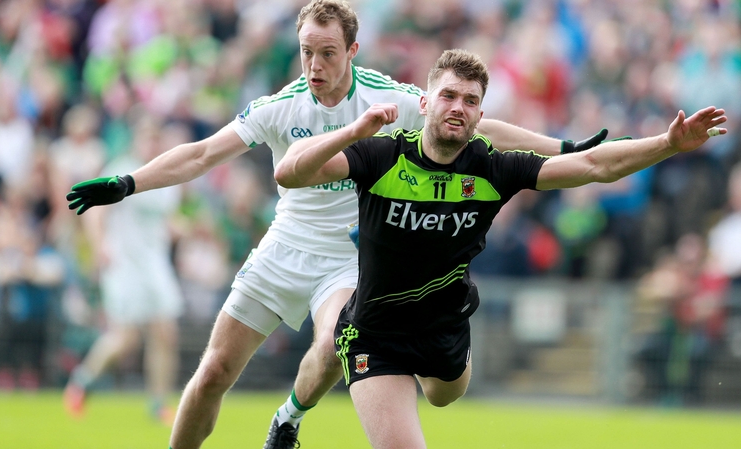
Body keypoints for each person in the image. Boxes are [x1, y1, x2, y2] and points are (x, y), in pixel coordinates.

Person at [64, 1, 608, 448]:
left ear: (351, 50)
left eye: (327, 52)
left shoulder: (389, 98)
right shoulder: (280, 106)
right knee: (212, 374)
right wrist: (127, 183)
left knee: (334, 342)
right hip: (283, 247)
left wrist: (558, 146)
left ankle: (288, 419)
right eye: (306, 52)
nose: (314, 65)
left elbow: (475, 124)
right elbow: (203, 154)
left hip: (350, 257)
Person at [273, 48, 727, 449]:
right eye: (449, 96)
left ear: (480, 116)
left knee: (443, 395)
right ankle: (287, 419)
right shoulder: (380, 155)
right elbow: (290, 173)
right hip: (377, 333)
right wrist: (354, 131)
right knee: (342, 356)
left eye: (471, 101)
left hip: (445, 329)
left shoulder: (493, 169)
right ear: (425, 103)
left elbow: (592, 165)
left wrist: (669, 144)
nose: (459, 107)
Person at [63, 116, 184, 424]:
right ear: (136, 140)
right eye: (147, 138)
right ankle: (82, 381)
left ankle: (158, 403)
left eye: (156, 138)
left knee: (165, 333)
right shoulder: (121, 170)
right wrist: (100, 246)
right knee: (125, 338)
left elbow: (164, 219)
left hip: (155, 264)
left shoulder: (169, 173)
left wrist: (180, 229)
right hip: (124, 263)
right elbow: (93, 212)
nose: (152, 144)